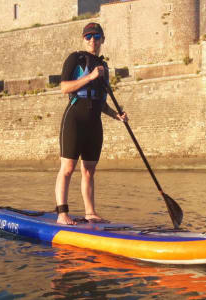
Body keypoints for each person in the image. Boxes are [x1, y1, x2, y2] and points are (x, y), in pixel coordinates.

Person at [55, 23, 128, 225]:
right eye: (88, 37)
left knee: (89, 171)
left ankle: (90, 213)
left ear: (102, 39)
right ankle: (62, 213)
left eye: (96, 37)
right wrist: (90, 76)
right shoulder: (75, 59)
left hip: (94, 123)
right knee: (68, 168)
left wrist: (116, 115)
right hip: (75, 118)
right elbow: (64, 88)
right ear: (83, 39)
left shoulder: (104, 67)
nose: (92, 41)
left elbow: (100, 100)